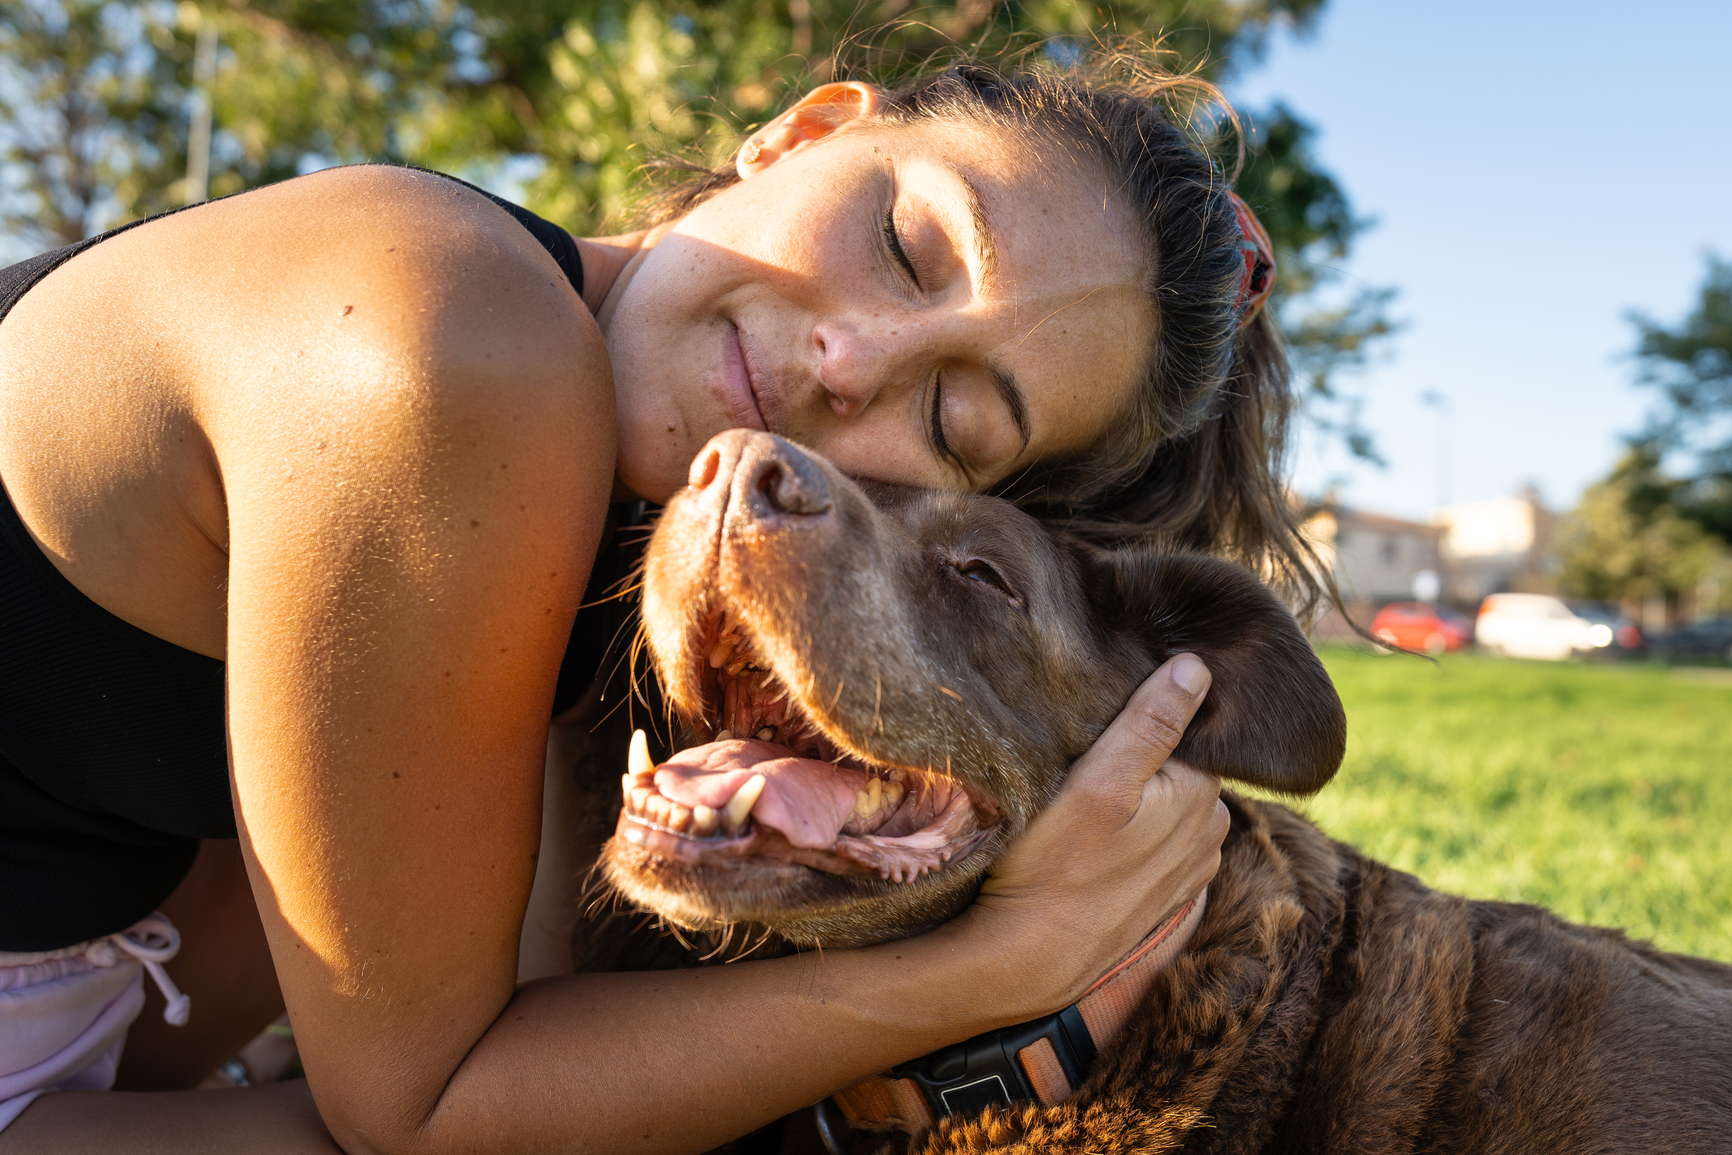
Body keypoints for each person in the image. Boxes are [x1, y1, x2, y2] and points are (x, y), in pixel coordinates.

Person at [0, 50, 1307, 1155]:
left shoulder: (624, 508)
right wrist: (998, 971)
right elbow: (428, 1109)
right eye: (906, 245)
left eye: (952, 418)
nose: (850, 364)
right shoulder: (454, 339)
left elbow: (489, 1004)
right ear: (800, 132)